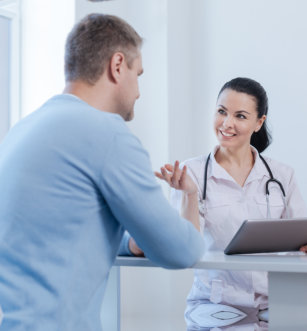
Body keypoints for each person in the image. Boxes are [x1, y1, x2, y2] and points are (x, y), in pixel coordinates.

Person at [0, 14, 204, 331]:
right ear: (117, 65)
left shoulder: (22, 130)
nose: (138, 91)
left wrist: (130, 243)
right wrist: (190, 196)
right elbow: (182, 251)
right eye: (139, 74)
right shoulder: (107, 133)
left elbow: (60, 228)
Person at [154, 77, 307, 330]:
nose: (227, 124)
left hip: (276, 314)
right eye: (221, 112)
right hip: (215, 314)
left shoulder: (283, 176)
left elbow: (300, 243)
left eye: (240, 116)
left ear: (258, 123)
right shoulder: (190, 173)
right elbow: (186, 248)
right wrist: (190, 195)